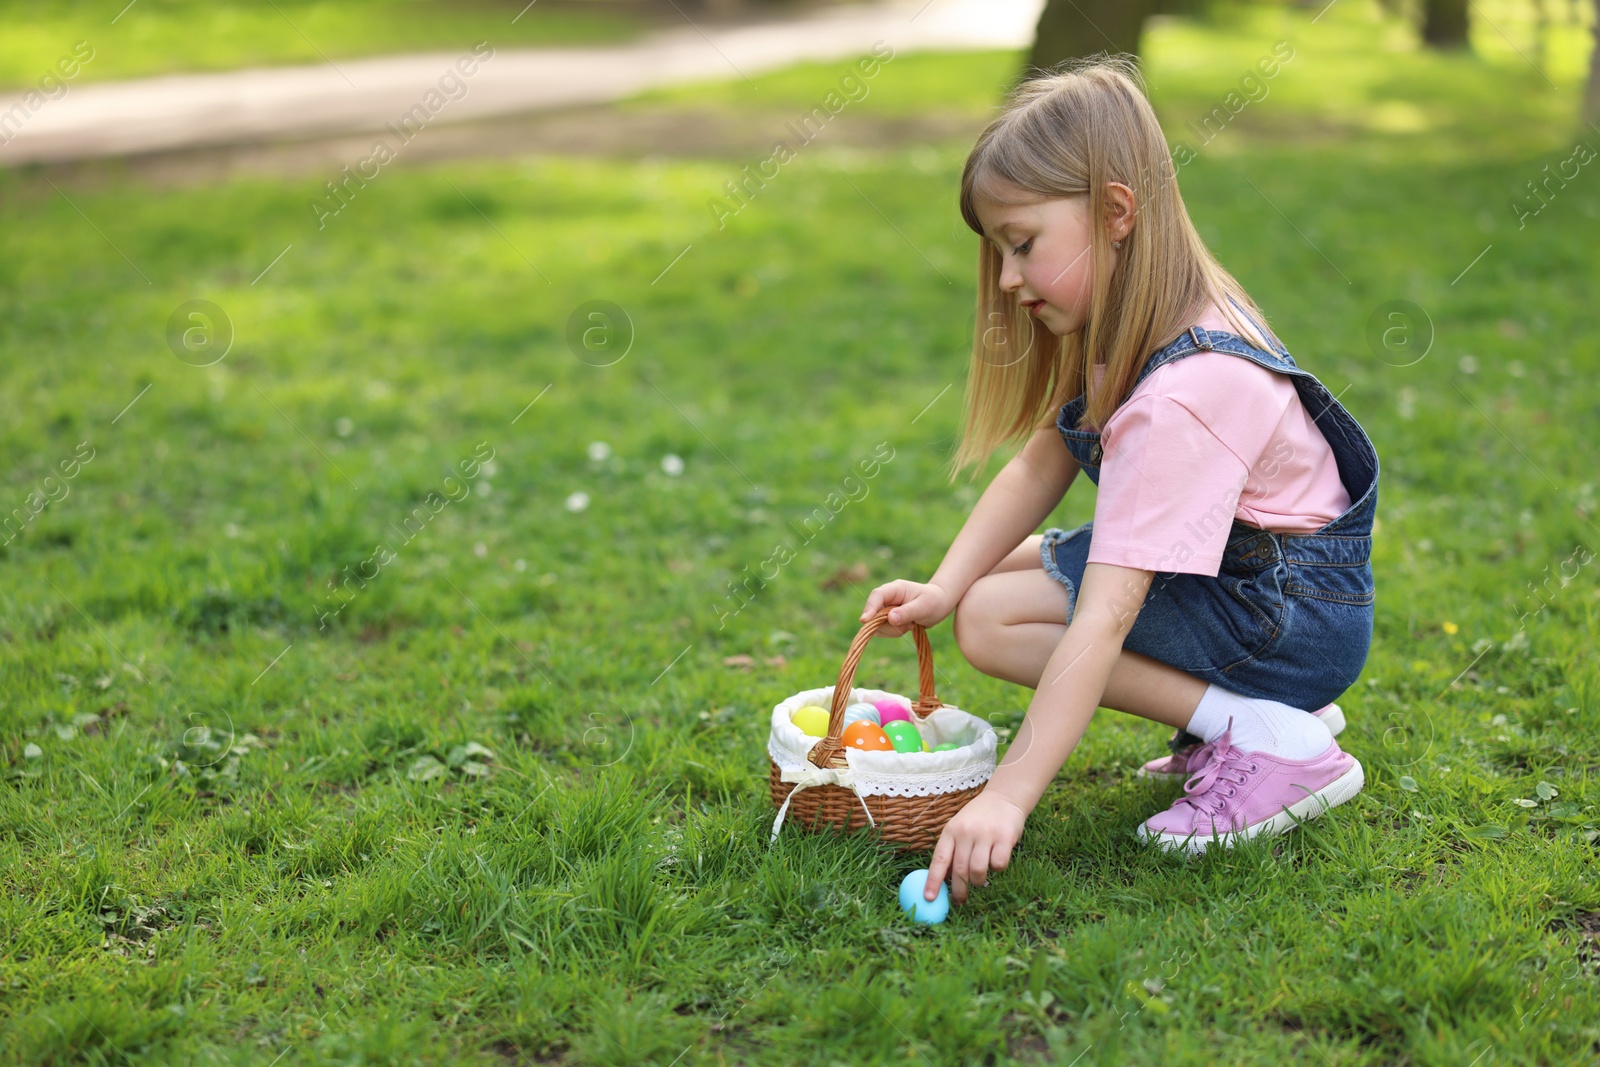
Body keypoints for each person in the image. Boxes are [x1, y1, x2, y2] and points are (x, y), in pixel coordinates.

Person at [856, 56, 1378, 905]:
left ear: (1115, 213)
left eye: (1023, 244)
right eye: (1000, 253)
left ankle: (1264, 733)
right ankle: (1256, 716)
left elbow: (1104, 619)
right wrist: (945, 585)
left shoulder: (1184, 393)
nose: (1010, 278)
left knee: (997, 618)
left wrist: (1008, 796)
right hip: (1262, 589)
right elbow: (1040, 460)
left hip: (1288, 615)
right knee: (983, 590)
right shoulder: (1152, 311)